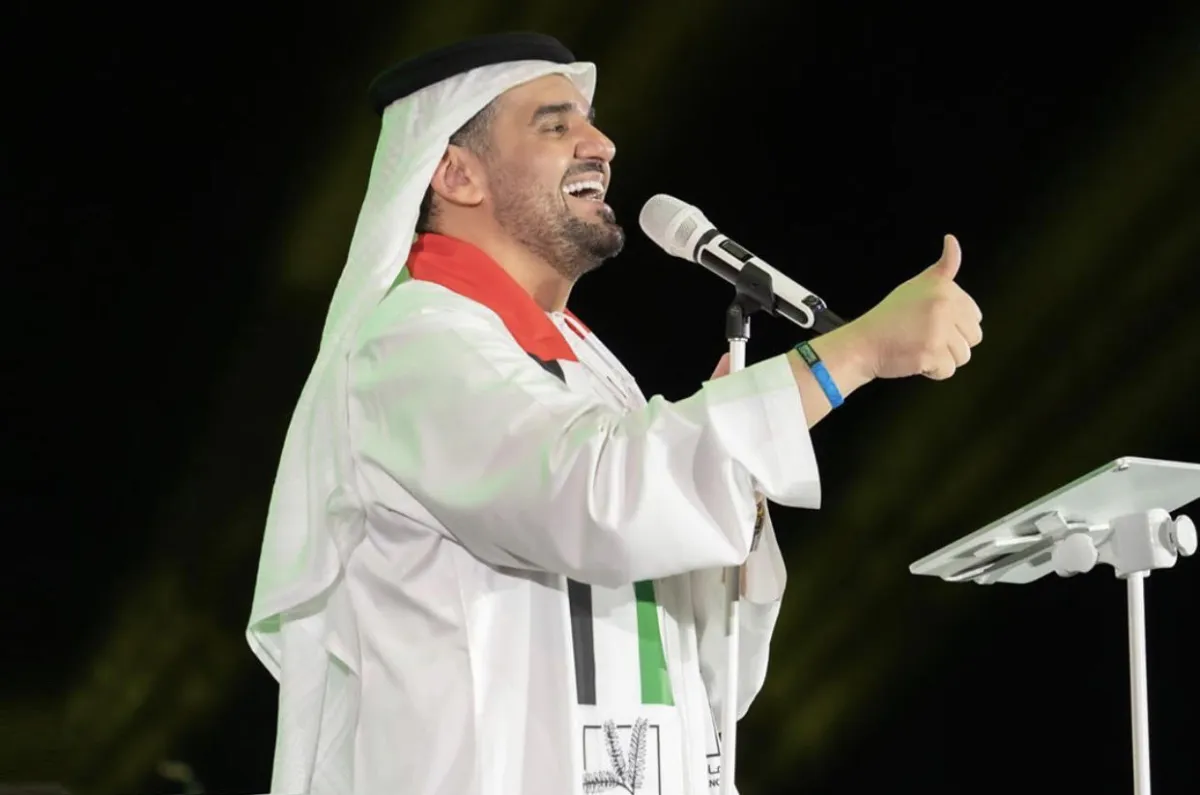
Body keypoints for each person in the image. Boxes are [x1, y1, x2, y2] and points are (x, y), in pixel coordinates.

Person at [245, 32, 982, 795]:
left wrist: (738, 475)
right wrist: (848, 356)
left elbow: (711, 674)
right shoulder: (409, 345)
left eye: (591, 122)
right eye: (555, 124)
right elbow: (596, 496)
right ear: (457, 173)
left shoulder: (589, 370)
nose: (601, 144)